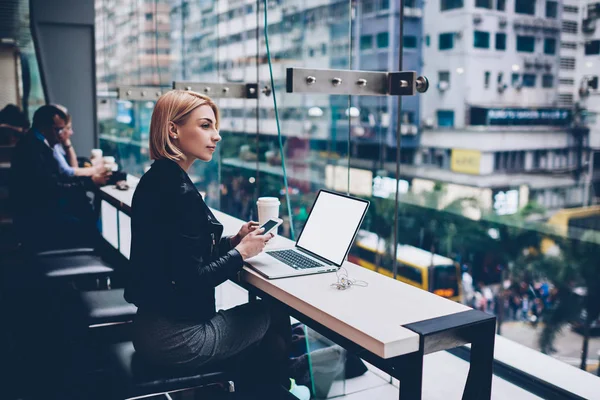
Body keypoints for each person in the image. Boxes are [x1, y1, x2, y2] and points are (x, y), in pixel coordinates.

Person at [125, 90, 310, 399]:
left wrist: (233, 241)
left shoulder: (159, 179)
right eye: (206, 125)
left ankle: (270, 379)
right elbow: (192, 279)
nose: (217, 136)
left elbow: (179, 256)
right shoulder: (178, 192)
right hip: (177, 339)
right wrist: (242, 252)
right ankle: (281, 385)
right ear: (173, 130)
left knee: (260, 326)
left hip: (148, 328)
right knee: (273, 312)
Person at [9, 105, 108, 252]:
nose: (62, 134)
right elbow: (50, 187)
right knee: (89, 228)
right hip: (39, 224)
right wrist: (90, 182)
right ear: (44, 128)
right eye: (58, 129)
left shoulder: (33, 143)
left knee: (86, 217)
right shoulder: (34, 149)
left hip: (34, 217)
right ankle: (97, 267)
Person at [51, 104, 108, 177]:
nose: (71, 132)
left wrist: (67, 142)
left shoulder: (58, 145)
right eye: (68, 128)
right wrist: (96, 170)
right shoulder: (53, 146)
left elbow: (74, 166)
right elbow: (68, 171)